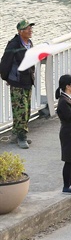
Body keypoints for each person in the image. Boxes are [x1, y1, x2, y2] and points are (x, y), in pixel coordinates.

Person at [0, 20, 35, 149]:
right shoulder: (13, 44)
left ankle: (16, 134)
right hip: (17, 82)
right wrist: (7, 78)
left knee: (27, 109)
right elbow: (4, 63)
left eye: (30, 28)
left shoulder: (29, 43)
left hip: (27, 81)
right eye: (27, 28)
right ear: (20, 32)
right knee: (20, 110)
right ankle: (21, 137)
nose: (30, 30)